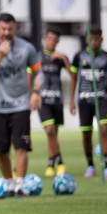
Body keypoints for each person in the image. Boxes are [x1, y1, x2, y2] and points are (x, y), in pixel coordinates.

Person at [0, 12, 42, 196]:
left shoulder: (26, 48)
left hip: (21, 105)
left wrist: (36, 92)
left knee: (21, 146)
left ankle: (20, 185)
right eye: (3, 28)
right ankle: (9, 184)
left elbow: (40, 72)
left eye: (10, 29)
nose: (6, 32)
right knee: (1, 150)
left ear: (15, 29)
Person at [68, 26, 107, 179]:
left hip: (102, 98)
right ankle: (90, 165)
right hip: (84, 100)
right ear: (86, 39)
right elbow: (73, 78)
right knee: (86, 133)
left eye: (97, 39)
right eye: (91, 39)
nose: (94, 42)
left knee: (104, 129)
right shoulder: (79, 57)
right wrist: (71, 100)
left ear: (101, 39)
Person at [37, 29, 70, 177]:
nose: (51, 41)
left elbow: (73, 75)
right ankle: (61, 162)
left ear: (57, 42)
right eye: (49, 38)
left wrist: (63, 59)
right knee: (50, 130)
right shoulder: (37, 56)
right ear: (45, 39)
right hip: (42, 99)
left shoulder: (60, 58)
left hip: (57, 99)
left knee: (53, 134)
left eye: (54, 40)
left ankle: (51, 164)